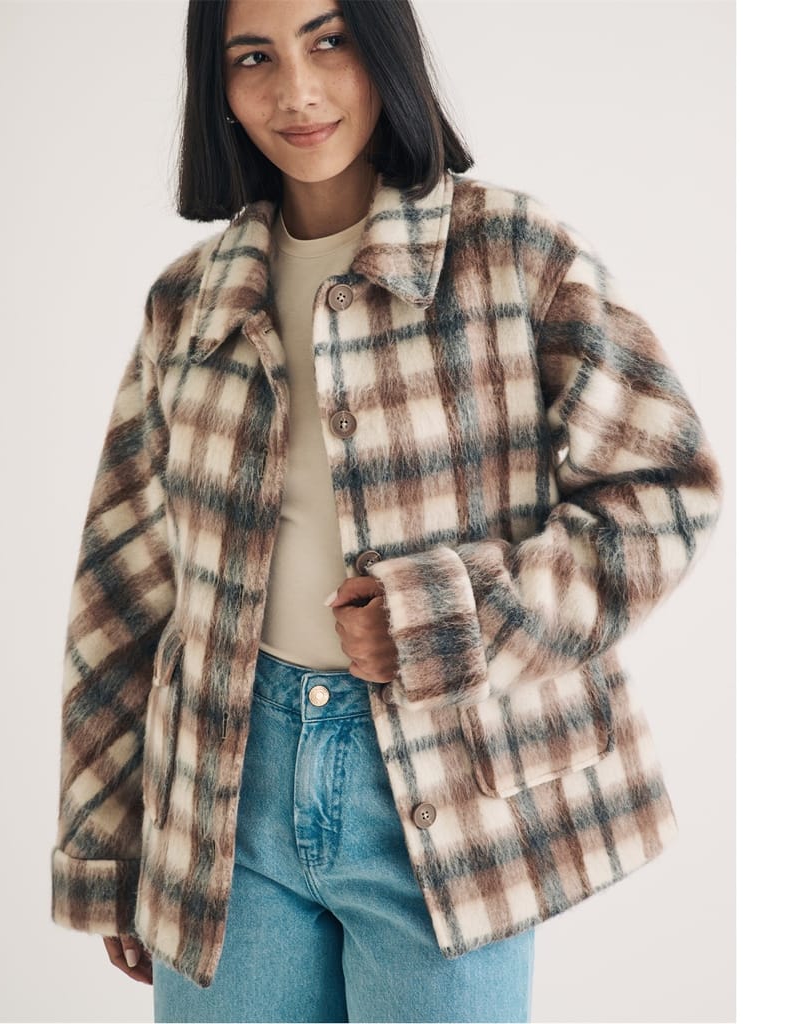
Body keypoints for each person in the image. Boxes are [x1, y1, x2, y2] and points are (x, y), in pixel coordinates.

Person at [49, 0, 722, 1021]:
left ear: (385, 47)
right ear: (218, 88)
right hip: (220, 798)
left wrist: (453, 619)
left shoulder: (511, 252)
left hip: (455, 793)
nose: (296, 91)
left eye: (329, 40)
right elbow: (125, 583)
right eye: (252, 58)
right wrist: (107, 842)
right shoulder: (185, 304)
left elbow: (667, 488)